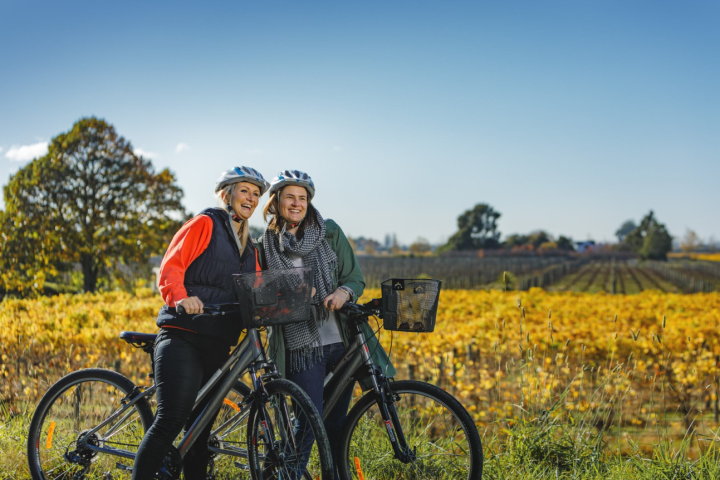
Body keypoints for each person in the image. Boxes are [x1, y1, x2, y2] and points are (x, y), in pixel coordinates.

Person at [256, 170, 397, 479]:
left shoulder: (329, 232)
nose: (296, 203)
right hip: (302, 346)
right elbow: (262, 296)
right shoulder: (264, 246)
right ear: (277, 201)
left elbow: (354, 278)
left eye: (302, 198)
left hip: (339, 341)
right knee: (308, 422)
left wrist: (342, 292)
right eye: (290, 197)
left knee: (335, 424)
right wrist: (290, 295)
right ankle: (289, 475)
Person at [132, 166, 269, 480]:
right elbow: (172, 266)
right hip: (184, 335)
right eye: (245, 190)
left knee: (199, 434)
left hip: (219, 343)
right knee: (171, 419)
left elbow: (258, 288)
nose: (251, 198)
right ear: (228, 193)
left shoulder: (251, 246)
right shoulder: (205, 223)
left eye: (256, 194)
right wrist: (181, 298)